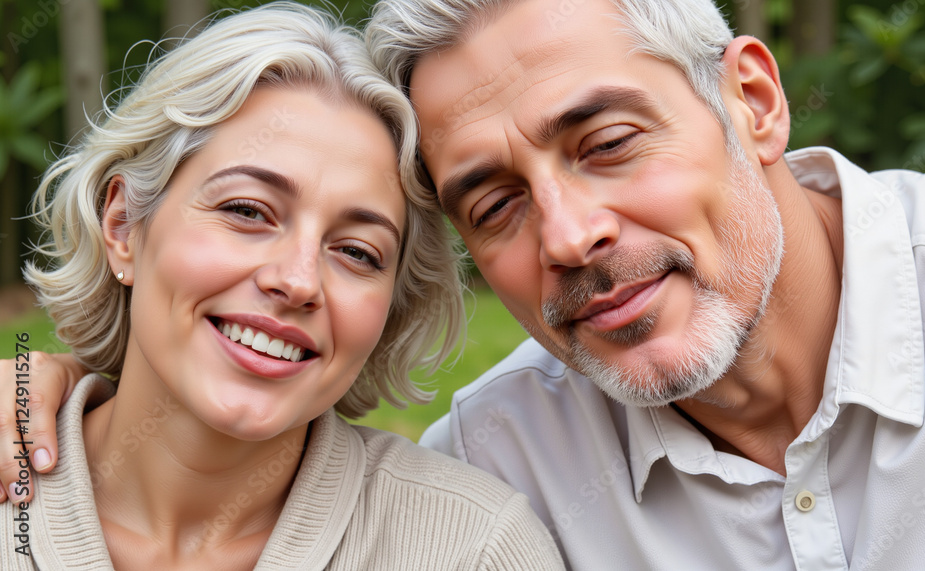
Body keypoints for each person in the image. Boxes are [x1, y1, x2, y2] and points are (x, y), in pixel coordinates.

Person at [5, 0, 925, 568]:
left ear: (752, 100)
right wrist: (40, 389)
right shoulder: (503, 464)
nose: (568, 236)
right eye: (494, 204)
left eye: (607, 143)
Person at [0, 3, 563, 569]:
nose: (297, 281)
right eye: (247, 211)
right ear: (122, 225)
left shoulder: (474, 549)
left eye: (356, 252)